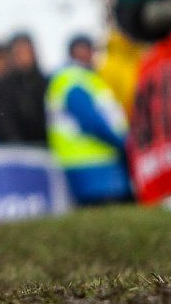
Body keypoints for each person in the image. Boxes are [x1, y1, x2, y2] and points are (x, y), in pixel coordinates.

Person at [46, 51, 132, 205]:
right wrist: (124, 143)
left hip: (92, 168)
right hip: (96, 170)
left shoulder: (83, 79)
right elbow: (92, 122)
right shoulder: (74, 79)